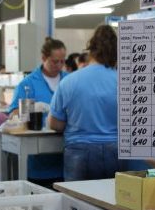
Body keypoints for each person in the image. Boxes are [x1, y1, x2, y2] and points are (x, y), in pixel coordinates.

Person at [49, 25, 123, 181]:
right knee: (114, 195)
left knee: (76, 196)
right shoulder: (125, 82)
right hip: (118, 151)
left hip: (79, 152)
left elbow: (55, 124)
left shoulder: (69, 81)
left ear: (91, 51)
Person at [7, 37, 68, 115]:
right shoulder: (28, 84)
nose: (59, 65)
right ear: (43, 58)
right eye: (55, 62)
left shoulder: (69, 80)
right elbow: (13, 114)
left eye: (62, 61)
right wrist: (33, 107)